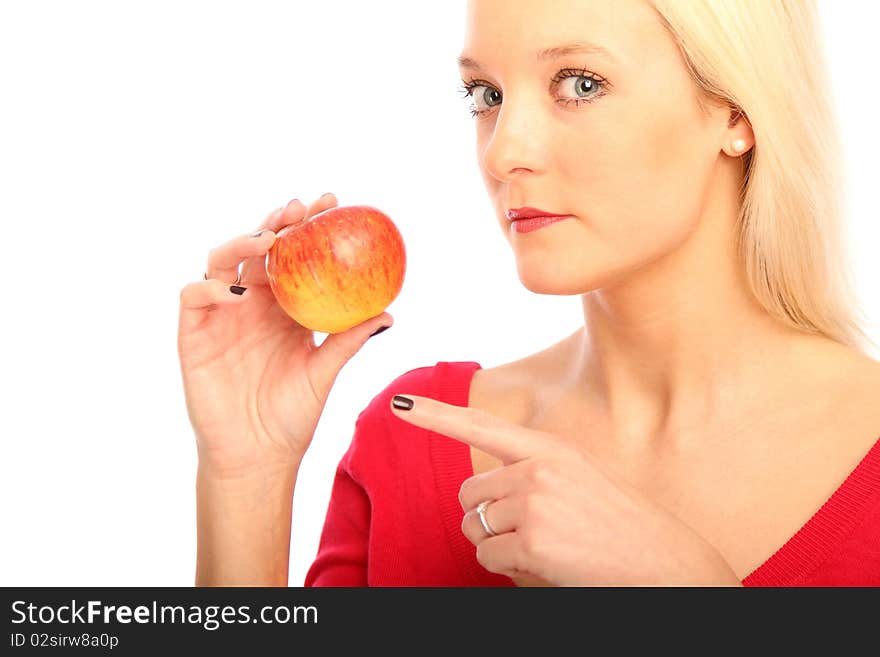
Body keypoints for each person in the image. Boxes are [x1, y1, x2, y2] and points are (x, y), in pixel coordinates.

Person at [177, 0, 880, 587]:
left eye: (579, 83)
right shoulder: (410, 443)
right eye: (486, 95)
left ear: (735, 111)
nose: (501, 150)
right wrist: (247, 473)